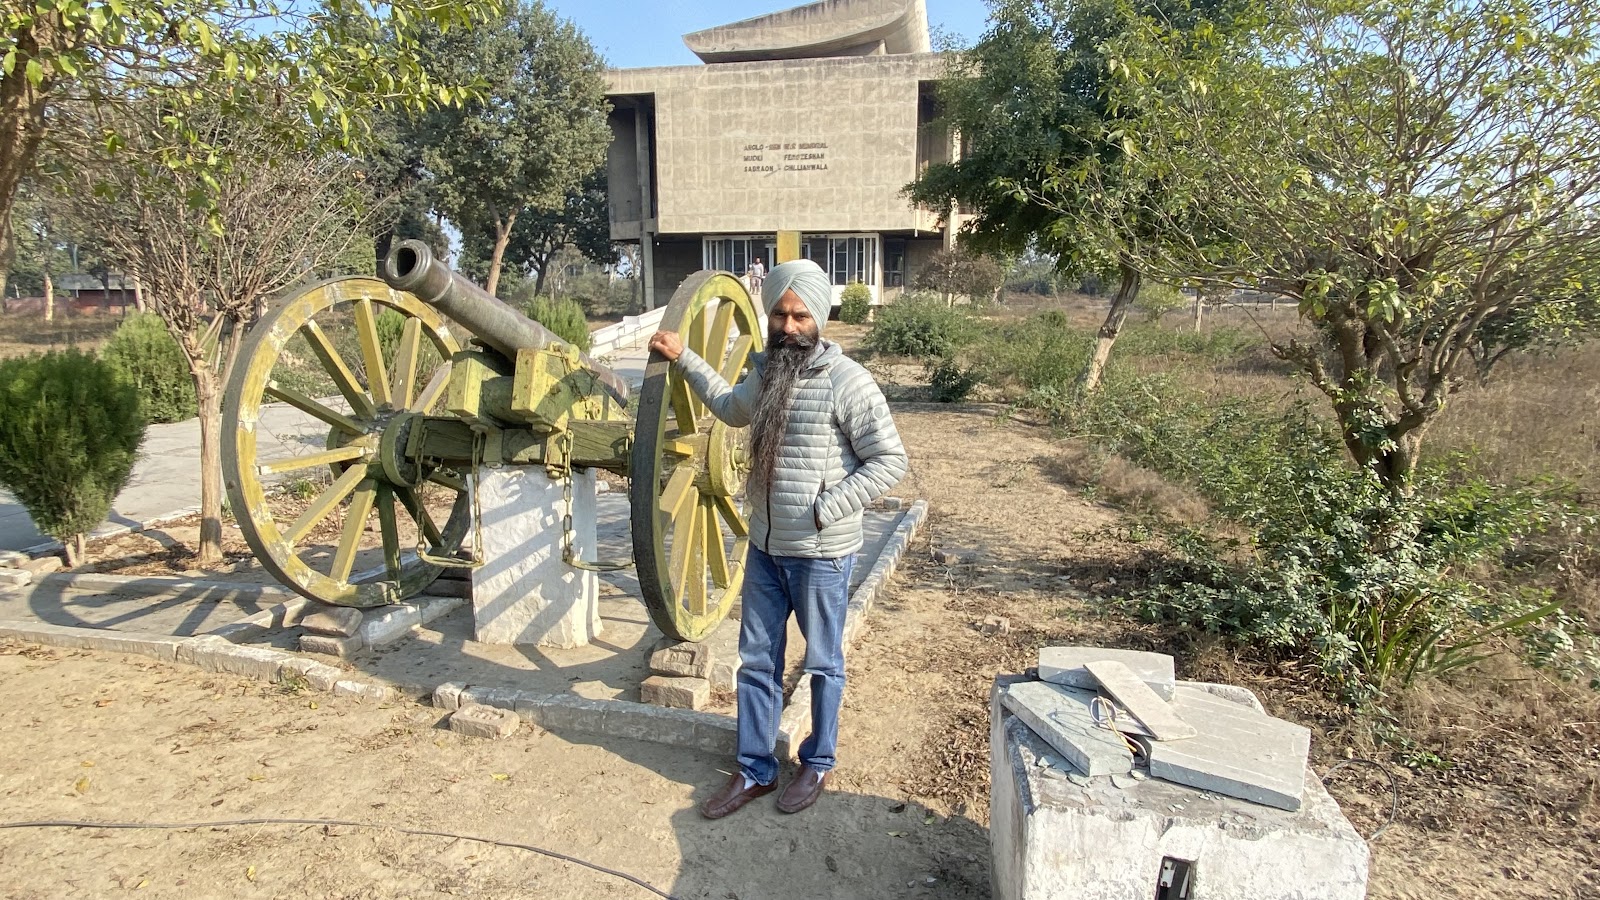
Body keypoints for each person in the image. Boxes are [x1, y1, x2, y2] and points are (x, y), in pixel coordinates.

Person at [647, 259, 908, 818]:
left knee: (823, 664)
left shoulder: (849, 383)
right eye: (781, 315)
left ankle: (817, 762)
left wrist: (825, 508)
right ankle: (756, 770)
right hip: (765, 551)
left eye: (800, 316)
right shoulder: (766, 374)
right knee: (757, 663)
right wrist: (684, 358)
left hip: (821, 555)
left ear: (821, 317)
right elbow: (728, 407)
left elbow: (890, 461)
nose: (789, 326)